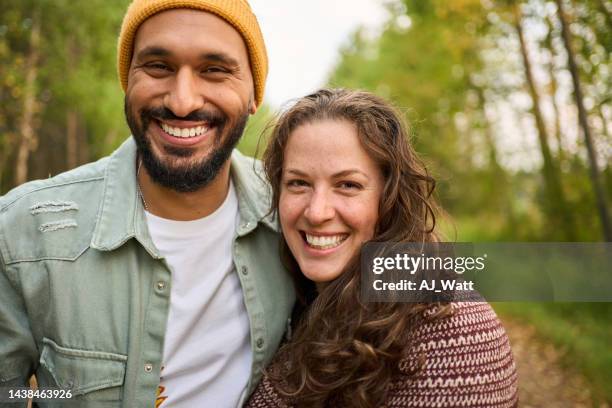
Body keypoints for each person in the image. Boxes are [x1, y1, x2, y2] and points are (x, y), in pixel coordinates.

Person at [0, 1, 295, 407]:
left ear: (253, 95)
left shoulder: (298, 212)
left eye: (214, 70)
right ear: (127, 82)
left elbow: (399, 277)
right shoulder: (21, 231)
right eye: (158, 66)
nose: (182, 101)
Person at [246, 88, 518, 407]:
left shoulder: (450, 329)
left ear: (389, 198)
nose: (317, 212)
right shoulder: (292, 294)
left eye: (348, 185)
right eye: (298, 183)